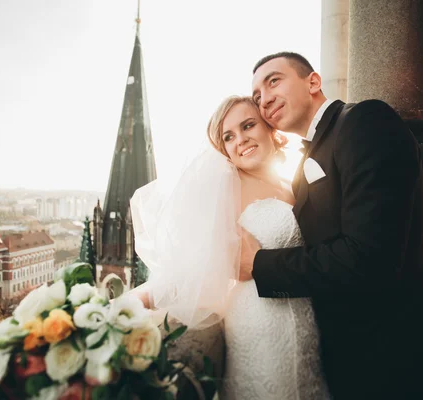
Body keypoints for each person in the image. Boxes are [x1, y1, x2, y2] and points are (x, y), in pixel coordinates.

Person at [240, 51, 423, 399]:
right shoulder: (307, 159)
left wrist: (259, 265)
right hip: (345, 361)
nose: (264, 100)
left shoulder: (364, 121)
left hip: (394, 364)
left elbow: (370, 259)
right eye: (257, 97)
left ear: (313, 81)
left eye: (273, 81)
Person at [130, 95, 330, 399]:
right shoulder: (226, 190)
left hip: (307, 321)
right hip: (260, 320)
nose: (241, 140)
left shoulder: (290, 185)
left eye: (248, 126)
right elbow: (194, 263)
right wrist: (139, 299)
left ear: (269, 128)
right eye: (228, 137)